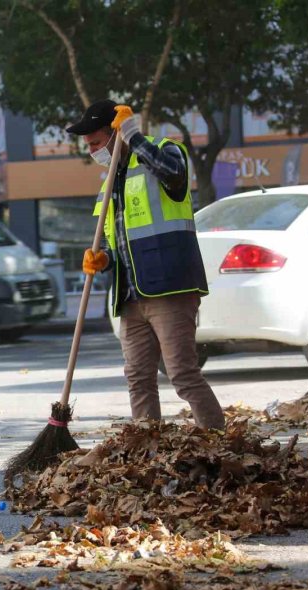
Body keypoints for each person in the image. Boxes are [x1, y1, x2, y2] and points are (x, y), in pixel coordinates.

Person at [67, 99, 225, 430]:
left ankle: (220, 444)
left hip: (170, 287)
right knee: (138, 378)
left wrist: (133, 135)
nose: (93, 150)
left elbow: (174, 174)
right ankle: (146, 448)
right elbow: (112, 242)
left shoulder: (164, 152)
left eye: (97, 142)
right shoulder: (107, 184)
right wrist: (102, 258)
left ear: (115, 133)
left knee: (182, 374)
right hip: (129, 297)